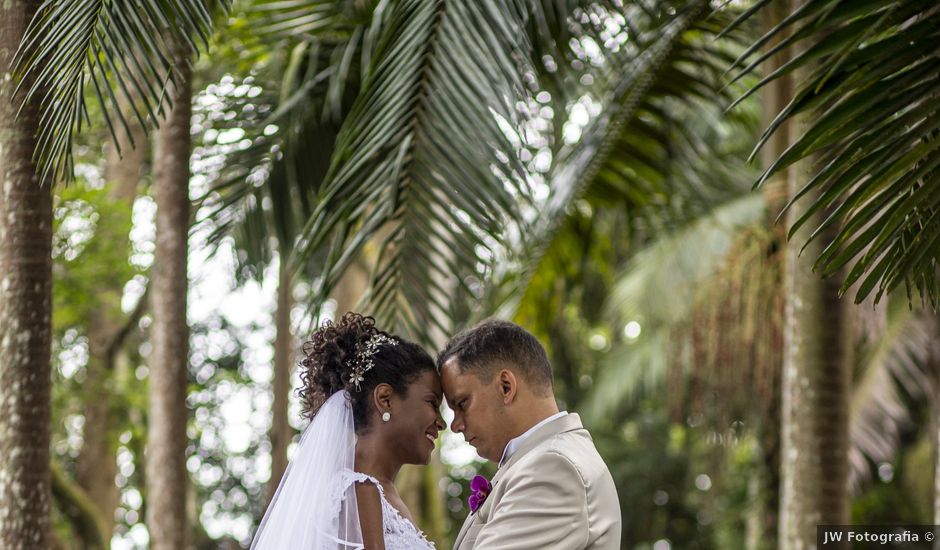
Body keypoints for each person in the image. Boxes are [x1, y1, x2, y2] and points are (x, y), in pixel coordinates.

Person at [251, 312, 445, 550]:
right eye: (433, 403)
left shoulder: (378, 495)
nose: (442, 422)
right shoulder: (362, 490)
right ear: (385, 399)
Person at [438, 320, 621, 550]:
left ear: (506, 386)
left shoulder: (552, 468)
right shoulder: (540, 460)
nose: (454, 425)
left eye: (462, 404)